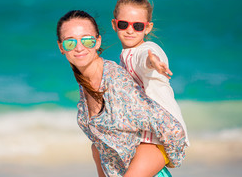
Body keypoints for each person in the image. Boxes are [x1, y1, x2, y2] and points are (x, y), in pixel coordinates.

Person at [56, 10, 188, 177]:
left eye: (87, 40)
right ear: (61, 47)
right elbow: (100, 148)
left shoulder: (115, 81)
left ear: (97, 42)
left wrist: (170, 160)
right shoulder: (85, 84)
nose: (79, 47)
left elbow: (172, 129)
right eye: (70, 43)